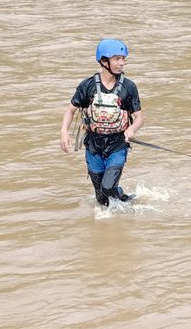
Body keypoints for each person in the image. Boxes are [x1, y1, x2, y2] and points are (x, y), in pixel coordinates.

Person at [60, 38, 143, 205]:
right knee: (101, 197)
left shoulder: (129, 87)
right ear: (104, 61)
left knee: (107, 187)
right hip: (93, 145)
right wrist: (64, 131)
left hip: (118, 145)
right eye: (117, 59)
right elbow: (70, 110)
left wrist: (132, 129)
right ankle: (121, 208)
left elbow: (139, 118)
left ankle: (124, 200)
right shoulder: (87, 86)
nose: (122, 63)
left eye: (123, 59)